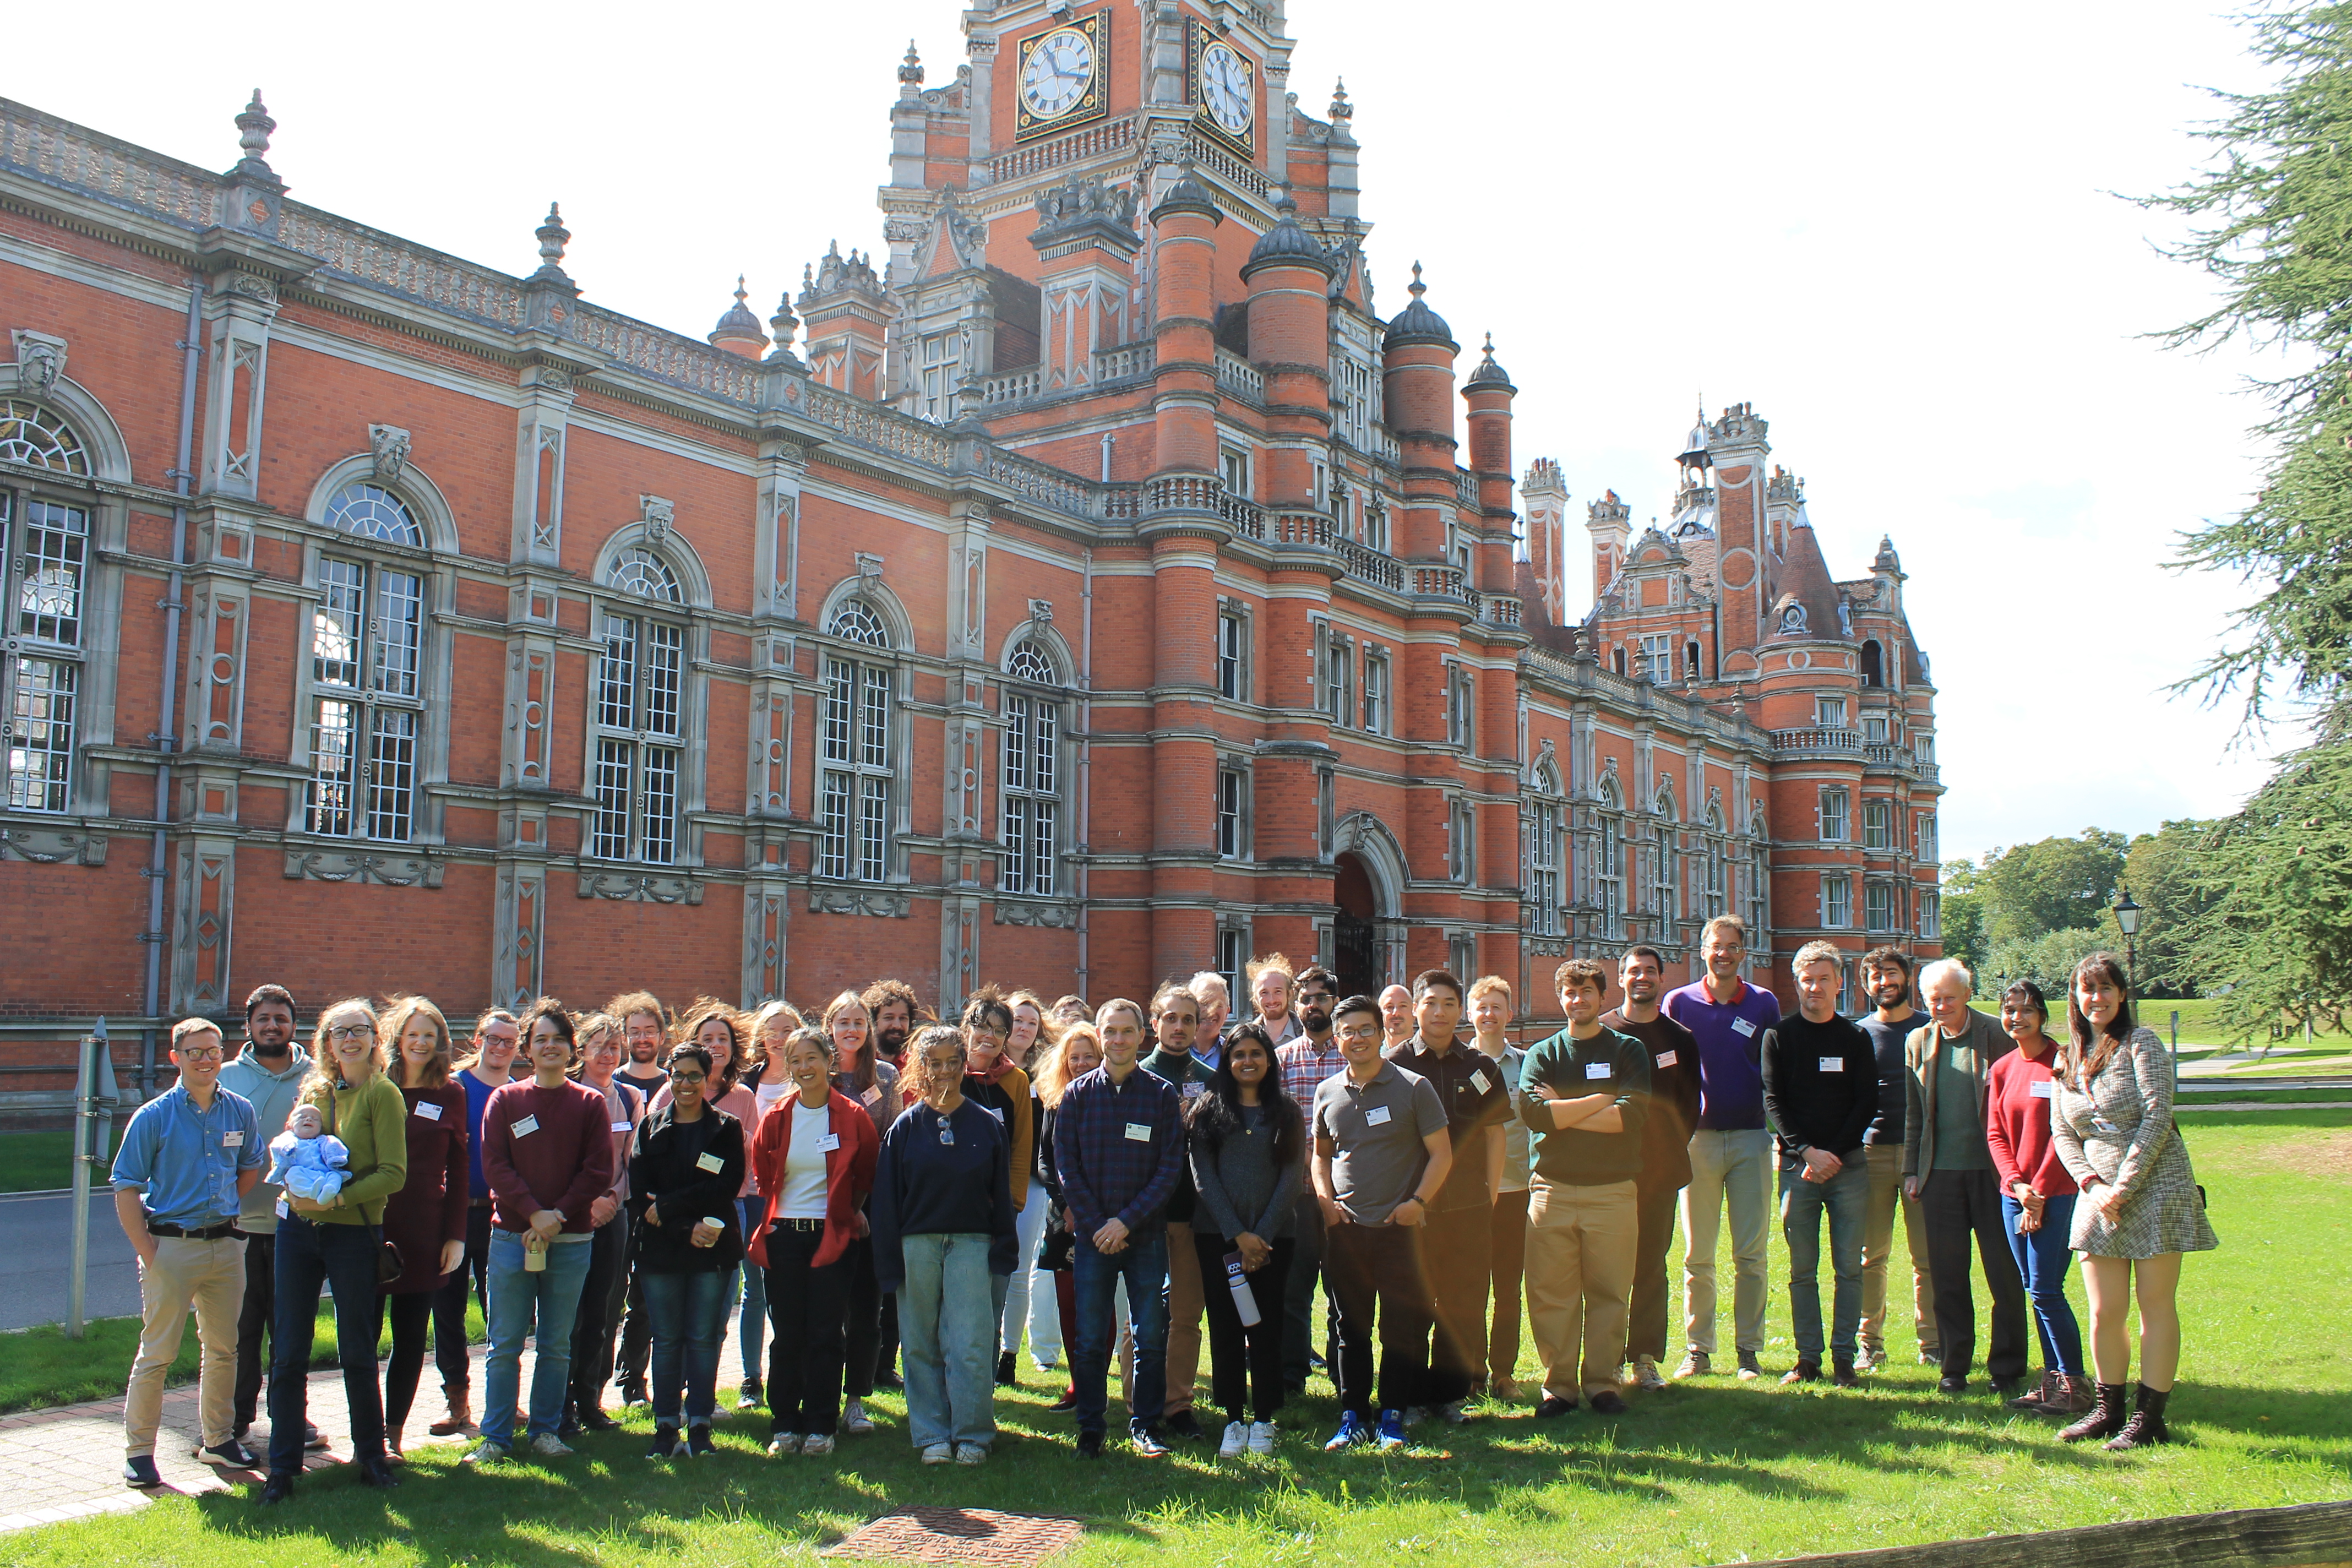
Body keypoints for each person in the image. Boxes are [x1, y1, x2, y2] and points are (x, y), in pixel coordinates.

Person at [2051, 954, 2217, 1449]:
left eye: (2105, 988)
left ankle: (2149, 1419)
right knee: (2104, 1312)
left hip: (2157, 1186)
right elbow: (2062, 1133)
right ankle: (2107, 1410)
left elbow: (2157, 1112)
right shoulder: (2067, 1056)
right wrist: (2093, 1186)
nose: (2096, 998)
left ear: (2122, 995)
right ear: (2076, 998)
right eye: (2087, 989)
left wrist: (2125, 1183)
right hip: (2097, 1194)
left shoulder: (2141, 1043)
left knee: (2155, 1305)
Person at [260, 998, 408, 1504]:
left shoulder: (383, 1094)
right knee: (288, 1349)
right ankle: (282, 1466)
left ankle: (371, 1457)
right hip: (297, 1231)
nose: (350, 1039)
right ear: (326, 1042)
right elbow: (296, 1146)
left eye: (360, 1030)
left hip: (352, 1233)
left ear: (374, 1038)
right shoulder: (316, 1089)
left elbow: (394, 1173)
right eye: (339, 1031)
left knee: (358, 1348)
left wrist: (339, 1197)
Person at [112, 1017, 264, 1487]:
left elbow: (252, 1166)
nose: (206, 1059)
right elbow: (126, 1188)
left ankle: (218, 1442)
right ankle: (139, 1453)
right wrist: (150, 1253)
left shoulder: (239, 1110)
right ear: (176, 1058)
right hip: (170, 1249)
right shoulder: (153, 1116)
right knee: (157, 1354)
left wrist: (224, 1209)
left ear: (225, 1054)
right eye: (195, 1051)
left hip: (226, 1246)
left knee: (224, 1351)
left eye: (214, 1050)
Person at [466, 998, 617, 1463]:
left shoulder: (589, 1103)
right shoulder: (506, 1100)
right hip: (512, 1238)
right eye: (540, 1041)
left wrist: (557, 1216)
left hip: (571, 1241)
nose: (550, 1047)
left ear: (572, 1048)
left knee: (556, 1343)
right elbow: (495, 1166)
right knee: (504, 1343)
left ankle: (546, 1431)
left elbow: (597, 1170)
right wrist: (534, 1213)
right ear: (527, 1050)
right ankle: (495, 1437)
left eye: (558, 1040)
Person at [871, 1024, 1019, 1464]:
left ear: (964, 1064)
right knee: (919, 1343)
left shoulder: (986, 1125)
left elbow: (1001, 1194)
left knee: (970, 1341)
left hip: (973, 1243)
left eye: (953, 1062)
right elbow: (886, 1201)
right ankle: (932, 1434)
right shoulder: (904, 1128)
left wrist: (1004, 1249)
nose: (944, 1072)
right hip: (917, 1245)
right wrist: (888, 1265)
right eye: (934, 1064)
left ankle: (973, 1433)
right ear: (921, 1067)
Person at [1314, 994, 1451, 1452]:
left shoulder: (1413, 1087)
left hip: (1400, 1231)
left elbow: (1442, 1154)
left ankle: (1391, 1417)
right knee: (1350, 1330)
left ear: (1381, 1033)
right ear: (1338, 1040)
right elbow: (1320, 1157)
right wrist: (1324, 1201)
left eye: (1365, 1030)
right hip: (1347, 1232)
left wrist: (1417, 1202)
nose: (1357, 1039)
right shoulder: (1328, 1091)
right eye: (1348, 1032)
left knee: (1398, 1328)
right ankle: (1353, 1416)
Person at [1055, 998, 1186, 1458]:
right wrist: (1098, 1226)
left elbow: (1170, 1168)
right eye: (1110, 1031)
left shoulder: (1162, 1095)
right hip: (1093, 1240)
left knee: (1151, 1336)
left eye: (1127, 1032)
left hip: (1145, 1237)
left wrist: (1125, 1222)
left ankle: (1146, 1425)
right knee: (1090, 1339)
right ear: (1098, 1033)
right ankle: (1091, 1429)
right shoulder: (1076, 1096)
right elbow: (1066, 1167)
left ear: (1141, 1036)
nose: (1118, 1040)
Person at [1518, 961, 1649, 1418]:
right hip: (1551, 1190)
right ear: (1560, 998)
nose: (1579, 1001)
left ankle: (1602, 1384)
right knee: (1551, 1292)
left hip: (1612, 1191)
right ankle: (1559, 1387)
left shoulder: (1628, 1050)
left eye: (1588, 992)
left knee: (1610, 1292)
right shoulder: (1542, 1054)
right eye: (1571, 993)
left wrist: (1566, 1110)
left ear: (1601, 996)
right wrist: (1601, 1101)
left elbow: (1631, 1118)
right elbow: (1536, 1117)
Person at [749, 1025, 880, 1457]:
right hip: (784, 1236)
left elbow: (865, 1171)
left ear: (829, 1061)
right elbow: (763, 1173)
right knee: (788, 1334)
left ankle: (822, 1424)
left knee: (826, 1332)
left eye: (812, 1058)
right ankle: (785, 1424)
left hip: (832, 1237)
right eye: (796, 1061)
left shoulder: (852, 1115)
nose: (805, 1068)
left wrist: (850, 1209)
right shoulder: (776, 1116)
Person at [1903, 959, 2028, 1397]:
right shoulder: (1918, 1040)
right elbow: (1915, 1113)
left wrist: (2019, 1174)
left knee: (2004, 1274)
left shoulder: (1998, 1035)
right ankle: (1954, 1366)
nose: (1941, 1007)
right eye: (1934, 1000)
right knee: (1948, 1276)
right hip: (1940, 1176)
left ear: (1968, 995)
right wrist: (1912, 1172)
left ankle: (2008, 1366)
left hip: (1994, 1177)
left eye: (1949, 999)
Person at [1664, 914, 1781, 1380]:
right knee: (1698, 1255)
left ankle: (1749, 1351)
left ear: (1743, 953)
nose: (1724, 953)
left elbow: (1775, 1068)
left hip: (1753, 1138)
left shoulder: (1763, 1003)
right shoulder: (1681, 1003)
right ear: (1703, 951)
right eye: (1717, 946)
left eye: (1733, 946)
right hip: (1699, 1142)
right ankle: (1699, 1349)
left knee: (1751, 1254)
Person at [1391, 968, 1507, 1422]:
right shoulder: (1394, 1063)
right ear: (1416, 1008)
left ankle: (1450, 1394)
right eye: (1431, 1003)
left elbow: (1497, 1134)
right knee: (1413, 1303)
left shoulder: (1480, 1067)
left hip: (1467, 1206)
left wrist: (1491, 1194)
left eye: (1449, 1004)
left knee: (1463, 1301)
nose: (1440, 1013)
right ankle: (1413, 1396)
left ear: (1460, 1012)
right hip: (1414, 1206)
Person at [1761, 943, 1877, 1387]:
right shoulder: (1779, 1037)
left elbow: (1867, 1101)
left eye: (1824, 979)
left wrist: (1832, 1154)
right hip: (1797, 1169)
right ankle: (1808, 1358)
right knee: (1802, 1270)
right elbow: (1773, 1101)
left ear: (1839, 983)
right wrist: (1808, 1151)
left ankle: (1844, 1359)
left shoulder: (1855, 1039)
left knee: (1849, 1267)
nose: (1815, 987)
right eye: (1807, 980)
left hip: (1848, 1168)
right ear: (1797, 984)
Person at [1187, 1022, 1302, 1456]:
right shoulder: (1207, 1109)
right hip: (1217, 1236)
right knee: (1227, 1327)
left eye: (1256, 1054)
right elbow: (1203, 1176)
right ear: (1227, 1062)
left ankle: (1264, 1418)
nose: (1247, 1062)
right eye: (1238, 1055)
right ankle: (1233, 1418)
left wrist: (1262, 1236)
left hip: (1275, 1240)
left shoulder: (1286, 1112)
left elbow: (1293, 1175)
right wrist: (1237, 1233)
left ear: (1269, 1060)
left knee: (1267, 1326)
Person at [628, 1040, 747, 1460]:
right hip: (663, 1251)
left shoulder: (726, 1129)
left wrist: (671, 1206)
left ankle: (699, 1425)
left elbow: (725, 1185)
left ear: (707, 1078)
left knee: (701, 1339)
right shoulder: (651, 1127)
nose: (685, 1084)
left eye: (694, 1075)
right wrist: (682, 1225)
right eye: (678, 1075)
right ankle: (665, 1428)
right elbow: (640, 1193)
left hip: (712, 1250)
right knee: (667, 1339)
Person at [1984, 981, 2090, 1418]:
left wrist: (2039, 1192)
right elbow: (1995, 1133)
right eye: (2009, 1010)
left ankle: (2075, 1384)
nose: (2016, 1018)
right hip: (2015, 1196)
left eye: (2026, 1010)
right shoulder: (2004, 1068)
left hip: (2057, 1193)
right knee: (2034, 1290)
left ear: (2044, 1015)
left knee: (2047, 1288)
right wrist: (2016, 1184)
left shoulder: (2063, 1063)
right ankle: (2051, 1381)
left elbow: (2064, 1133)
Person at [651, 999, 764, 1407]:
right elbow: (652, 1155)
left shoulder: (744, 1100)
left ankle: (703, 1395)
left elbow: (743, 1164)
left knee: (714, 1314)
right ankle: (672, 1397)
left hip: (725, 1211)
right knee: (674, 1311)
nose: (716, 1045)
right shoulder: (668, 1092)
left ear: (734, 1048)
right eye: (707, 1038)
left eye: (723, 1039)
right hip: (672, 1215)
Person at [219, 983, 316, 1451]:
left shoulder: (316, 1077)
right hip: (235, 1226)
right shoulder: (222, 1077)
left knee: (291, 1329)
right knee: (239, 1331)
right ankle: (234, 1423)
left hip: (296, 1226)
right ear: (248, 1027)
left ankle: (291, 1421)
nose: (272, 1026)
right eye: (263, 1019)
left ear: (294, 1026)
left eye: (281, 1019)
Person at [1601, 947, 1700, 1393]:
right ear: (1620, 978)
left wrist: (1664, 1149)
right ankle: (1607, 1359)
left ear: (1662, 979)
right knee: (1605, 1268)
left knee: (1650, 1266)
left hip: (1658, 1173)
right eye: (1633, 971)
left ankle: (1644, 1359)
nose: (1641, 978)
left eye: (1650, 972)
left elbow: (1688, 1106)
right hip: (1607, 1174)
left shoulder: (1680, 1038)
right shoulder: (1601, 1032)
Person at [375, 997, 469, 1458]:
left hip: (425, 1229)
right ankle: (366, 1436)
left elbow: (459, 1166)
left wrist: (456, 1234)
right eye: (413, 1033)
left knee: (411, 1338)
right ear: (397, 1038)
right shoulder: (375, 1085)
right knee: (362, 1334)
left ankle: (392, 1436)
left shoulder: (450, 1093)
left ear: (440, 1044)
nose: (420, 1042)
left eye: (429, 1036)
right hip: (371, 1225)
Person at [429, 1006, 522, 1436]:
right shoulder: (454, 1088)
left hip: (503, 1216)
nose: (501, 1048)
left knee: (503, 1308)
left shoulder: (523, 1095)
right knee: (447, 1308)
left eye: (510, 1041)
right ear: (478, 1040)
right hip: (454, 1213)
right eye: (494, 1039)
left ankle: (505, 1400)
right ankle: (457, 1401)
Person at [1854, 948, 1939, 1371]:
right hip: (1870, 1153)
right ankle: (1870, 1342)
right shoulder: (1858, 1034)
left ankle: (1933, 1344)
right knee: (1871, 1257)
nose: (1883, 982)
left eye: (1891, 974)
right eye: (1875, 976)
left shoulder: (1930, 1028)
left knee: (1927, 1258)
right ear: (1865, 984)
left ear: (1908, 978)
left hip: (1921, 1154)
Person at [562, 1011, 643, 1436]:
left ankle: (590, 1398)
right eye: (599, 1046)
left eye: (614, 1047)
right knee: (569, 1312)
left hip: (615, 1213)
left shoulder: (629, 1098)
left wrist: (612, 1198)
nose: (608, 1055)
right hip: (574, 1215)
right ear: (582, 1051)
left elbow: (632, 1159)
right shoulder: (569, 1094)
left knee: (604, 1309)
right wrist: (589, 1202)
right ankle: (560, 1404)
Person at [1137, 980, 1212, 1441]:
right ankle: (1136, 1400)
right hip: (1142, 1213)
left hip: (1192, 1212)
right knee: (1142, 1315)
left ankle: (1178, 1403)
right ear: (1154, 1022)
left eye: (1188, 1019)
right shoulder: (1136, 1075)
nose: (1179, 1027)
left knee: (1186, 1313)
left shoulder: (1211, 1079)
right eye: (1171, 1018)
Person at [827, 989, 901, 1434]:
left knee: (865, 1303)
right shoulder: (820, 1069)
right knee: (825, 1302)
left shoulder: (887, 1075)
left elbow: (892, 1137)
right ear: (830, 1028)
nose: (851, 1030)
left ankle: (855, 1399)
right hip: (824, 1197)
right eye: (843, 1022)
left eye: (859, 1022)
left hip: (872, 1198)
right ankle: (819, 1390)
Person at [956, 989, 1037, 1389]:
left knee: (991, 1303)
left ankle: (983, 1388)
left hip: (998, 1212)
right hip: (950, 1211)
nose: (990, 1036)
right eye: (983, 1026)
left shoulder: (1016, 1082)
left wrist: (1014, 1203)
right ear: (966, 1027)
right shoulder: (947, 1072)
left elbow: (1022, 1147)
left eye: (1000, 1030)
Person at [1275, 967, 1346, 1394]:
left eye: (1321, 998)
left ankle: (1343, 1375)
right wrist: (1310, 1160)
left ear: (1334, 1003)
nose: (1313, 1005)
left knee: (1343, 1294)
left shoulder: (1354, 1053)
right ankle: (1291, 1376)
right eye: (1306, 999)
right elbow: (1277, 1126)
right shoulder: (1282, 1061)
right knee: (1294, 1291)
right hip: (1297, 1196)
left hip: (1347, 1197)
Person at [859, 978, 930, 1387]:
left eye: (903, 1018)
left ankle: (886, 1364)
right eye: (888, 1017)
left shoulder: (917, 1064)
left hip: (906, 1184)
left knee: (895, 1278)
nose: (897, 1026)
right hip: (863, 1183)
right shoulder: (862, 1068)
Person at [730, 1000, 799, 1411]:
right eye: (772, 1029)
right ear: (760, 1036)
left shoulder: (809, 1076)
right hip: (752, 1194)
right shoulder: (744, 1083)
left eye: (787, 1029)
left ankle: (788, 1371)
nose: (779, 1037)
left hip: (794, 1195)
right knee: (753, 1289)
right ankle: (750, 1379)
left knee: (788, 1288)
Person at [1468, 976, 1532, 1398]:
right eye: (1482, 1007)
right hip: (1470, 1195)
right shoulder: (1458, 1063)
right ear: (1470, 1014)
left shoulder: (1528, 1063)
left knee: (1508, 1288)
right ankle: (1472, 1373)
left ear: (1510, 1014)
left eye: (1497, 1007)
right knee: (1470, 1286)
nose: (1489, 1014)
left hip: (1517, 1191)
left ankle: (1503, 1372)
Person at [608, 990, 669, 1406]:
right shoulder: (609, 1083)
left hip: (653, 1202)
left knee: (645, 1296)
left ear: (662, 1036)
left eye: (650, 1031)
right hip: (615, 1202)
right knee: (609, 1293)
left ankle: (634, 1379)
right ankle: (588, 1385)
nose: (642, 1038)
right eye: (634, 1031)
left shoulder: (673, 1082)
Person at [1005, 989, 1064, 1379]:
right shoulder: (986, 1071)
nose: (1024, 1028)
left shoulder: (1046, 1073)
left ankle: (1008, 1356)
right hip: (988, 1185)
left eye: (1031, 1022)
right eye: (1017, 1020)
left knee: (1020, 1270)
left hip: (1032, 1186)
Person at [1248, 954, 1299, 1047]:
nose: (1272, 1000)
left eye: (1278, 992)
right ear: (1255, 998)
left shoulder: (1308, 1035)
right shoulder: (1247, 1037)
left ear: (1290, 994)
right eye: (1264, 993)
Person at [1189, 970, 1233, 1069]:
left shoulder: (1234, 1054)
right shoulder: (1175, 1053)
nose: (1210, 1011)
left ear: (1227, 1012)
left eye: (1218, 1005)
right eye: (1204, 1003)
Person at [1378, 986, 1415, 1057]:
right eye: (1389, 1007)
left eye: (1403, 1006)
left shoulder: (1430, 1055)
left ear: (1414, 1011)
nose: (1396, 1013)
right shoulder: (1373, 1057)